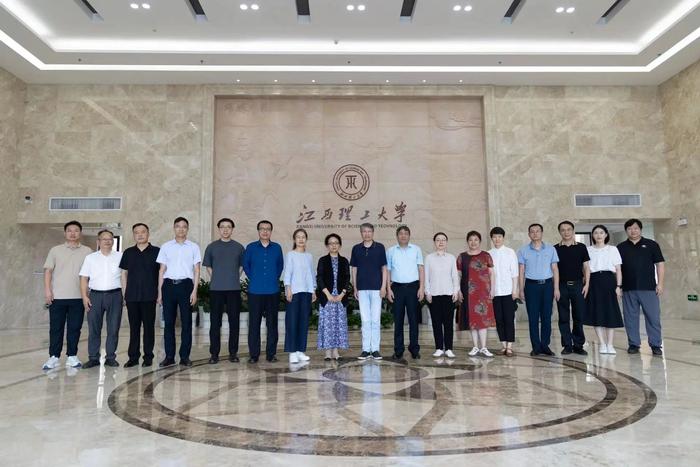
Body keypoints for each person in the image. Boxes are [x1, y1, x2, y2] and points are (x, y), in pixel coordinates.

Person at [42, 220, 93, 370]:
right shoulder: (55, 250)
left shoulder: (88, 251)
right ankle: (54, 357)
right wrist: (48, 290)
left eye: (76, 230)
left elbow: (91, 273)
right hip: (57, 297)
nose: (72, 233)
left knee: (75, 328)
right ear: (65, 233)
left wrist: (88, 293)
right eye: (69, 230)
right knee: (56, 328)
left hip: (78, 297)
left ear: (80, 233)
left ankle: (72, 356)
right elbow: (48, 271)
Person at [156, 217, 202, 367]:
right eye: (178, 226)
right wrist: (160, 293)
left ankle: (184, 356)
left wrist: (194, 291)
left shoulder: (194, 247)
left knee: (186, 323)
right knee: (169, 323)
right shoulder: (166, 246)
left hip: (186, 286)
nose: (181, 229)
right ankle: (169, 356)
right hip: (168, 286)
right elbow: (161, 270)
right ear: (174, 228)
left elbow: (197, 270)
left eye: (184, 226)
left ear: (187, 229)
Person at [617, 218, 665, 356]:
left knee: (653, 318)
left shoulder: (651, 244)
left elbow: (660, 264)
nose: (633, 231)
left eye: (636, 228)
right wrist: (619, 286)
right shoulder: (620, 247)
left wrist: (660, 283)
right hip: (628, 288)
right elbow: (617, 269)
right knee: (630, 318)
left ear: (640, 229)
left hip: (649, 288)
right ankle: (633, 344)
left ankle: (655, 345)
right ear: (626, 231)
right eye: (630, 229)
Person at [202, 217, 245, 364]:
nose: (225, 229)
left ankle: (233, 353)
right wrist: (217, 277)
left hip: (234, 289)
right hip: (216, 290)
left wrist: (234, 277)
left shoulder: (239, 247)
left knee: (234, 322)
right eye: (222, 227)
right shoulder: (211, 247)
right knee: (215, 323)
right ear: (219, 229)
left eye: (228, 227)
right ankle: (214, 354)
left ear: (232, 229)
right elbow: (208, 266)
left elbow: (242, 266)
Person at [79, 230, 124, 369]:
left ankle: (110, 357)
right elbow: (84, 278)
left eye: (110, 239)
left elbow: (124, 276)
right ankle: (93, 358)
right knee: (94, 328)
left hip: (115, 295)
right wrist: (84, 297)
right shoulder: (90, 258)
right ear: (98, 241)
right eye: (104, 239)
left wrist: (125, 295)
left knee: (113, 328)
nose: (107, 241)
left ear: (113, 241)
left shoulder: (120, 256)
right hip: (95, 296)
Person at [243, 220, 284, 363]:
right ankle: (254, 355)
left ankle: (271, 354)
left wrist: (273, 278)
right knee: (254, 324)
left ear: (271, 231)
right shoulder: (251, 247)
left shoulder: (277, 248)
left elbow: (280, 266)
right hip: (255, 291)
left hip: (273, 291)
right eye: (262, 229)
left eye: (268, 229)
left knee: (272, 325)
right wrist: (254, 278)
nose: (265, 231)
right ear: (258, 231)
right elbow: (246, 265)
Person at [119, 223, 160, 368]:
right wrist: (125, 294)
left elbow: (161, 274)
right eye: (137, 232)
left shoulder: (157, 252)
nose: (140, 235)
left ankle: (148, 357)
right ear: (133, 235)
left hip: (150, 296)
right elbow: (123, 274)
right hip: (132, 297)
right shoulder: (128, 252)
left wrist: (159, 293)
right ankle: (133, 357)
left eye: (143, 232)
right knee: (134, 328)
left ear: (148, 233)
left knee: (149, 328)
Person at [518, 223, 560, 356]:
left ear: (542, 233)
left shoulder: (551, 249)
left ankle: (545, 345)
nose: (535, 233)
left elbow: (555, 269)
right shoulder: (523, 250)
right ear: (529, 234)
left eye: (537, 231)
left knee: (547, 316)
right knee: (533, 317)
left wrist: (556, 288)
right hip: (531, 286)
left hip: (547, 286)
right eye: (532, 231)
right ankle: (536, 346)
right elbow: (521, 271)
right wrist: (521, 289)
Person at [386, 226, 425, 360]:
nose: (403, 236)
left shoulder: (416, 249)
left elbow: (421, 269)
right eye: (401, 233)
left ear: (409, 235)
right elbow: (388, 271)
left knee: (414, 320)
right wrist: (388, 289)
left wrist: (421, 288)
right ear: (397, 236)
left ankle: (414, 349)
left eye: (406, 233)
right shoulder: (390, 251)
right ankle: (398, 350)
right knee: (398, 320)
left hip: (413, 287)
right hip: (397, 288)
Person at [350, 223, 388, 360]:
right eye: (364, 231)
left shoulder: (380, 247)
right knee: (365, 320)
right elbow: (354, 269)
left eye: (369, 231)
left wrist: (383, 287)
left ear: (373, 232)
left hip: (377, 289)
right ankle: (366, 349)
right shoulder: (356, 248)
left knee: (375, 319)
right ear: (361, 233)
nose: (367, 234)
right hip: (362, 289)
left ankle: (375, 349)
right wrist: (355, 287)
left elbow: (384, 268)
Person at [585, 225, 624, 355]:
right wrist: (586, 284)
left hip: (609, 281)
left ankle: (610, 344)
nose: (599, 235)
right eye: (596, 233)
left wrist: (618, 286)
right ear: (593, 235)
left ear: (606, 235)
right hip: (593, 281)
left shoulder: (613, 249)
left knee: (610, 312)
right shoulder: (588, 250)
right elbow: (586, 269)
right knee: (597, 312)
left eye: (601, 232)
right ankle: (602, 343)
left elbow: (618, 269)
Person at [457, 231, 496, 357]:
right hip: (468, 293)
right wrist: (458, 290)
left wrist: (492, 289)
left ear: (480, 241)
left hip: (483, 292)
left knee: (482, 319)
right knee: (472, 320)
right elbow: (458, 275)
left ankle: (484, 347)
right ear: (467, 241)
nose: (473, 242)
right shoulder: (462, 257)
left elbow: (492, 274)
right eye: (471, 240)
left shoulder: (486, 255)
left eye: (476, 240)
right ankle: (475, 347)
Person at [553, 221, 590, 356]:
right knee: (563, 317)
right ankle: (567, 345)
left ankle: (578, 345)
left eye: (569, 229)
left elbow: (586, 267)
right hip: (561, 286)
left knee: (578, 316)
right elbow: (554, 269)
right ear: (560, 232)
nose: (566, 232)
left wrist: (587, 284)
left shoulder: (581, 247)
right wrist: (556, 288)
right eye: (563, 230)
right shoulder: (555, 248)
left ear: (573, 231)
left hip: (578, 285)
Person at [283, 229, 316, 364]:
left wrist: (313, 290)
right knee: (292, 322)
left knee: (303, 322)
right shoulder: (290, 254)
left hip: (306, 292)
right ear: (294, 239)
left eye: (303, 237)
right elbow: (287, 272)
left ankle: (300, 351)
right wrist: (288, 289)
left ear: (306, 239)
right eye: (298, 237)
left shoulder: (309, 256)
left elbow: (311, 274)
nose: (301, 239)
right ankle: (292, 352)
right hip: (294, 292)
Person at [424, 232, 459, 358]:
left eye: (443, 240)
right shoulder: (429, 258)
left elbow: (455, 276)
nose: (441, 242)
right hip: (434, 295)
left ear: (446, 242)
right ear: (434, 242)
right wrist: (427, 292)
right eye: (438, 240)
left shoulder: (451, 258)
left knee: (449, 323)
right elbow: (426, 277)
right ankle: (439, 348)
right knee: (436, 323)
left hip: (448, 294)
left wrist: (455, 291)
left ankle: (449, 348)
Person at [317, 233, 350, 361]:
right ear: (327, 246)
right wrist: (328, 294)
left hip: (340, 298)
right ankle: (327, 352)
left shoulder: (344, 261)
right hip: (327, 297)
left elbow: (347, 278)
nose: (333, 245)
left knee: (338, 324)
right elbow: (319, 278)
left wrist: (342, 294)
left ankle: (336, 351)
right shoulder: (322, 260)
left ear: (340, 245)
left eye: (336, 243)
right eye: (331, 243)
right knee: (327, 325)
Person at [488, 227, 519, 357]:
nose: (497, 239)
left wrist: (514, 290)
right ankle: (503, 345)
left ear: (503, 238)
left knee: (509, 319)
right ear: (491, 238)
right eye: (494, 237)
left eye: (499, 236)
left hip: (508, 291)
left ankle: (509, 346)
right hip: (495, 292)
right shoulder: (488, 254)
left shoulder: (510, 252)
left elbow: (514, 273)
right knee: (499, 319)